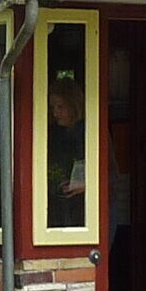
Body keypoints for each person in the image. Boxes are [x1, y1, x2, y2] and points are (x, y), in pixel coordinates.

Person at [48, 78, 88, 228]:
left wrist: (86, 185)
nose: (55, 113)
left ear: (74, 105)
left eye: (60, 106)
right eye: (52, 107)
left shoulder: (90, 130)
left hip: (89, 211)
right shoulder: (55, 133)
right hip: (62, 208)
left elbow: (112, 176)